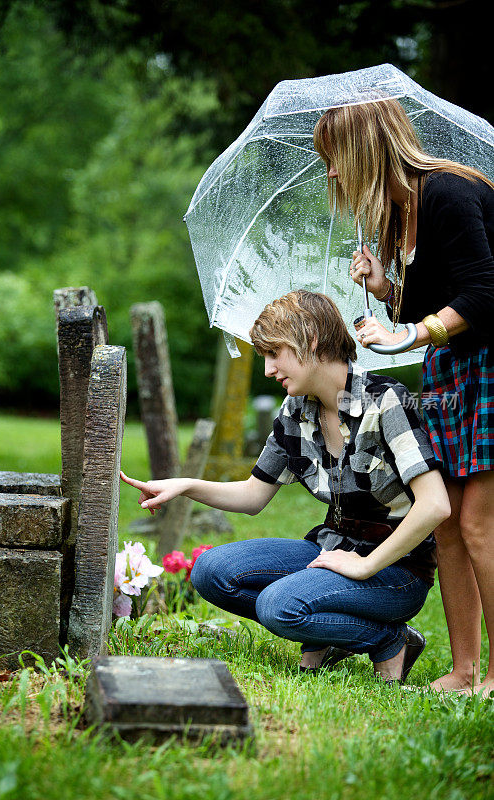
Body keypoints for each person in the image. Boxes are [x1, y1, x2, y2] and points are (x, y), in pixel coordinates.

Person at [121, 290, 450, 684]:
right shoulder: (295, 412)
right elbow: (253, 495)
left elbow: (435, 506)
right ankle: (330, 630)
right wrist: (185, 485)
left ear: (310, 340)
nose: (267, 369)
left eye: (274, 353)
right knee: (211, 571)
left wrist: (363, 566)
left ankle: (387, 640)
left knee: (280, 606)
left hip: (396, 571)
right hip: (329, 550)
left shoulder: (387, 402)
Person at [313, 98, 494, 695]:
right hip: (450, 371)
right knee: (446, 529)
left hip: (489, 365)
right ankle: (465, 672)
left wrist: (407, 334)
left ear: (368, 145)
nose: (332, 172)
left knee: (476, 524)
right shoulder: (398, 217)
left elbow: (484, 293)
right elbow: (432, 300)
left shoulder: (447, 191)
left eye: (335, 158)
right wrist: (385, 288)